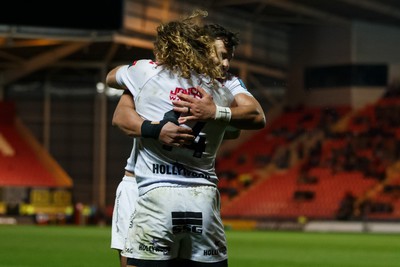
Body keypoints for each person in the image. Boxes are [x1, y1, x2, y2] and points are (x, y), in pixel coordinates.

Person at [108, 11, 265, 267]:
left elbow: (254, 115)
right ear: (200, 49)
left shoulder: (227, 84)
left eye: (229, 58)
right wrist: (155, 128)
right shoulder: (155, 73)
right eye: (220, 55)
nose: (225, 64)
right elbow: (121, 117)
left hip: (184, 184)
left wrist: (217, 113)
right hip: (139, 183)